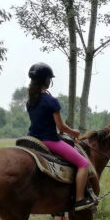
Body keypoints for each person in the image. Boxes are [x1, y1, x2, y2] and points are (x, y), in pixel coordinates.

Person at [26, 62, 94, 211]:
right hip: (49, 141)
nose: (50, 81)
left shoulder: (30, 101)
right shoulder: (51, 101)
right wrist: (74, 133)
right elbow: (61, 127)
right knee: (83, 164)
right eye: (49, 78)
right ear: (46, 80)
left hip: (32, 140)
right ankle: (79, 199)